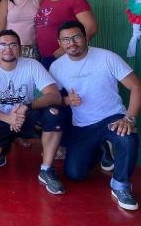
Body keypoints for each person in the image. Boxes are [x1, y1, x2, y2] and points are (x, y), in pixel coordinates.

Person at [50, 21, 140, 211]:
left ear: (85, 37)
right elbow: (54, 98)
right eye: (66, 39)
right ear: (59, 42)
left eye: (76, 37)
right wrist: (67, 101)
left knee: (127, 137)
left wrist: (129, 118)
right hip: (82, 125)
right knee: (75, 174)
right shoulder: (57, 67)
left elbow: (136, 86)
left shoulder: (107, 57)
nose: (71, 43)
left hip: (112, 117)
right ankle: (102, 149)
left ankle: (121, 185)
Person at [0, 29, 66, 195]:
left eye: (13, 45)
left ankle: (46, 169)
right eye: (3, 45)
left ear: (20, 48)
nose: (8, 48)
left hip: (25, 115)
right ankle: (4, 147)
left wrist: (27, 106)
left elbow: (55, 95)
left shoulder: (32, 65)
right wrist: (7, 118)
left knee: (53, 113)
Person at [35, 0, 97, 69]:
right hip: (44, 56)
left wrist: (65, 48)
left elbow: (91, 27)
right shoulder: (44, 1)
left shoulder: (76, 0)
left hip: (66, 56)